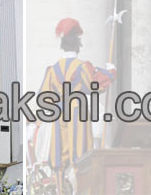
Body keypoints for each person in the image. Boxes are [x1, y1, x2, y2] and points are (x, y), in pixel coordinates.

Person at [30, 18, 116, 195]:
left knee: (60, 158)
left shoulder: (53, 69)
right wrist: (110, 71)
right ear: (77, 46)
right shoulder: (82, 67)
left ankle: (62, 191)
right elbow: (96, 85)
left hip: (59, 115)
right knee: (81, 155)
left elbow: (43, 96)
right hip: (78, 113)